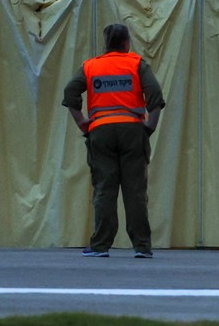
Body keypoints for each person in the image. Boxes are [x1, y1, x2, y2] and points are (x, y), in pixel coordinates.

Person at [63, 22, 165, 258]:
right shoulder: (137, 64)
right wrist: (149, 126)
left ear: (106, 43)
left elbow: (70, 92)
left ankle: (100, 245)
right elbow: (155, 95)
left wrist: (82, 122)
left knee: (104, 189)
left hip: (101, 131)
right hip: (132, 130)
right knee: (135, 190)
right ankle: (142, 246)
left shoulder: (91, 67)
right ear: (127, 43)